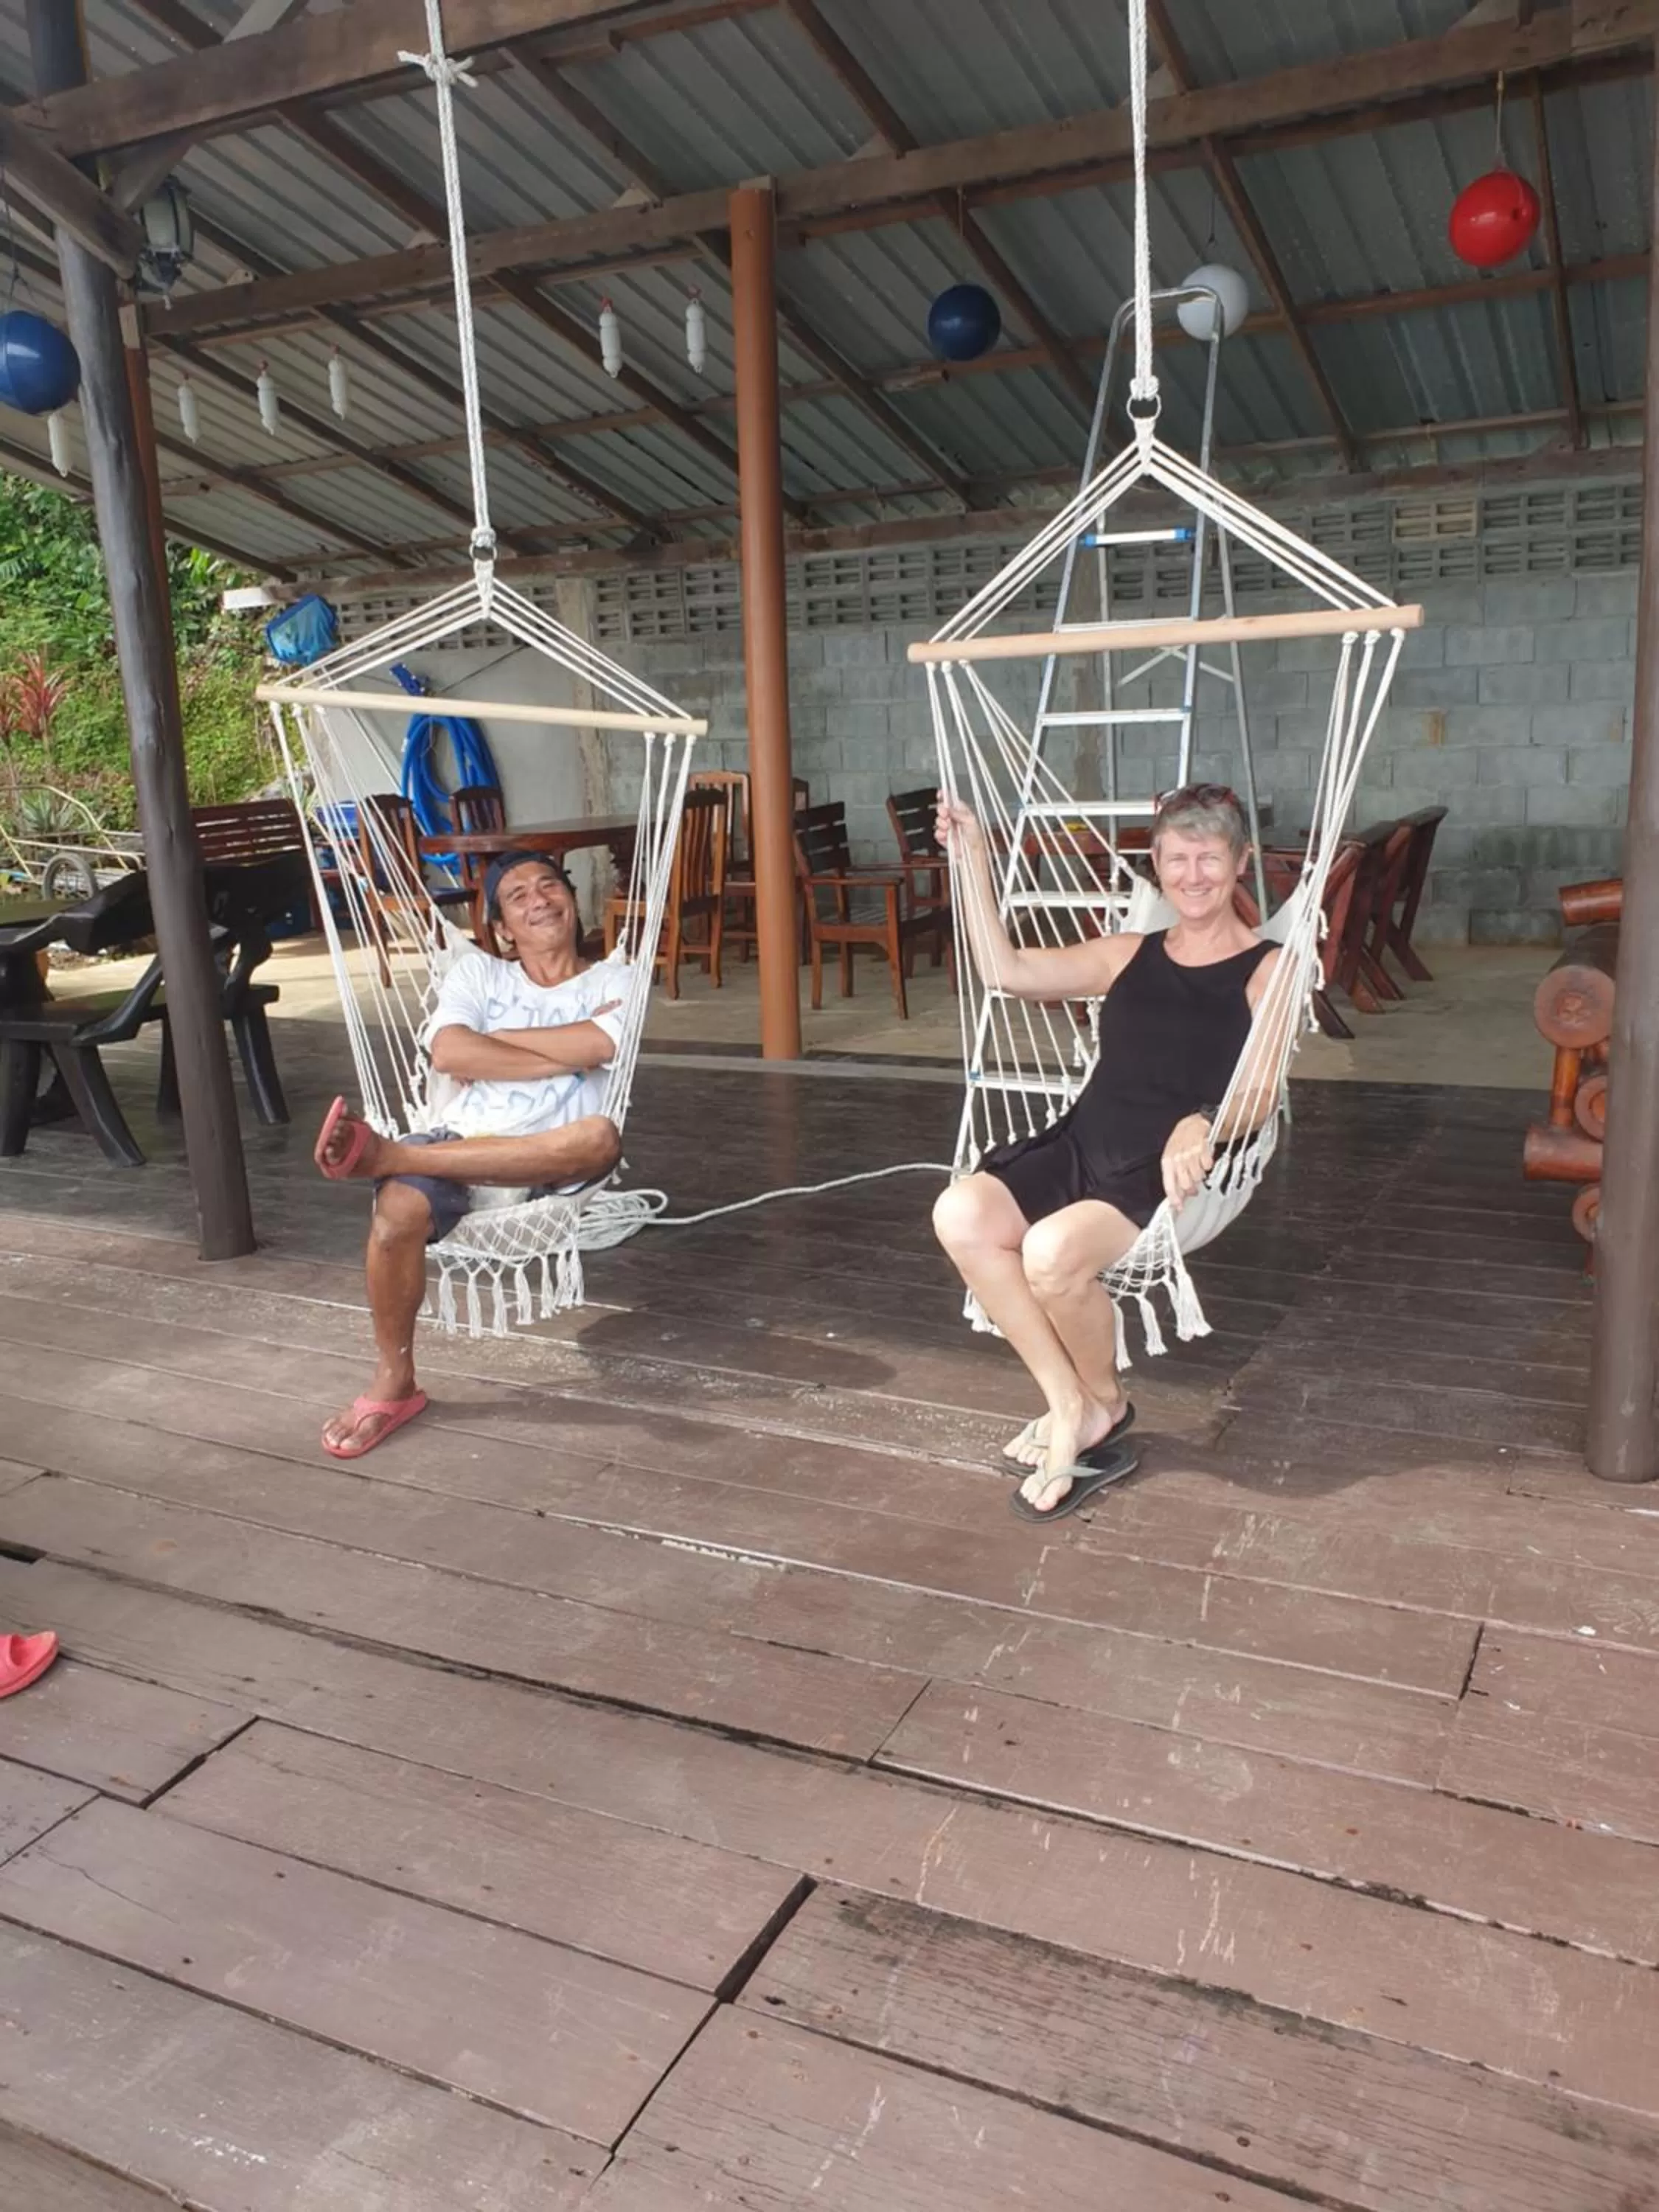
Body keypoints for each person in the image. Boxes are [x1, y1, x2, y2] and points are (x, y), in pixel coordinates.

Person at [933, 783, 1287, 1523]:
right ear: (1157, 865)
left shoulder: (1270, 968)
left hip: (1165, 1174)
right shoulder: (1130, 953)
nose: (1193, 874)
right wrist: (970, 860)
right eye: (1177, 858)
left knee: (1053, 1253)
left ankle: (1101, 1401)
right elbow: (1007, 972)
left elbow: (1260, 1094)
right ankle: (1077, 1405)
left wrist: (1204, 1123)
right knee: (961, 1211)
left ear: (1241, 861)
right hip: (1083, 1143)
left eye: (1210, 857)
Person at [313, 851, 626, 1460]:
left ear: (572, 900)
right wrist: (571, 1051)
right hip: (457, 1142)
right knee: (397, 1212)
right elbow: (453, 1054)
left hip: (550, 1162)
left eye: (549, 886)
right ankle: (394, 1381)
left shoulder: (618, 978)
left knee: (600, 1139)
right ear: (503, 928)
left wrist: (500, 1043)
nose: (538, 900)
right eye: (517, 896)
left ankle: (386, 1157)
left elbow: (604, 1042)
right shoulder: (479, 976)